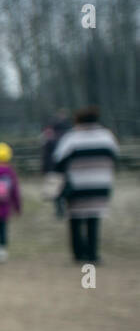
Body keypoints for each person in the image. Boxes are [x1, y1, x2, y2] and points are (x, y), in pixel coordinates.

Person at [48, 106, 117, 263]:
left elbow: (58, 161)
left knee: (75, 219)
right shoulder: (107, 137)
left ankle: (78, 253)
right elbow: (114, 157)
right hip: (100, 184)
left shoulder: (72, 138)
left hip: (76, 186)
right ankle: (93, 253)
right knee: (93, 219)